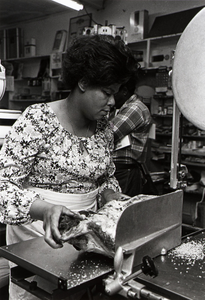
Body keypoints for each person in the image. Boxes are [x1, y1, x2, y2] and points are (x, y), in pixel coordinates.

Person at [0, 35, 137, 300]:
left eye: (116, 93)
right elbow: (3, 185)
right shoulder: (37, 121)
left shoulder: (104, 130)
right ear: (83, 82)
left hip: (86, 238)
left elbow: (105, 177)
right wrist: (46, 210)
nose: (112, 103)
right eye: (107, 93)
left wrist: (111, 196)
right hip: (37, 233)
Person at [110, 75, 152, 197]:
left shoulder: (135, 108)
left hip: (125, 171)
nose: (111, 99)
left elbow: (108, 134)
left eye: (113, 93)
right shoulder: (120, 108)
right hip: (118, 169)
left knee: (119, 212)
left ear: (124, 91)